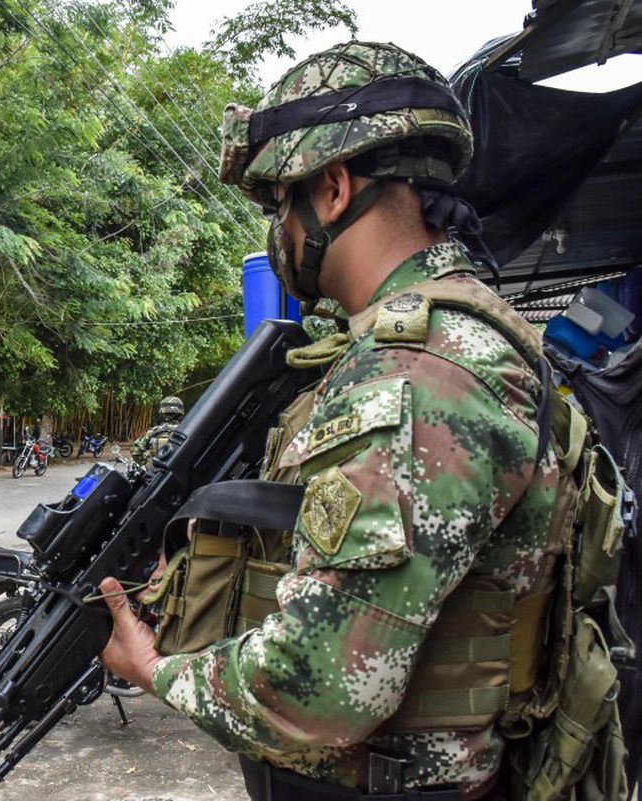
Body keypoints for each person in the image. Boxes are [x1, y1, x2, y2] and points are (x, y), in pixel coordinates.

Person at [99, 42, 571, 799]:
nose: (278, 229)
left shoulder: (415, 378)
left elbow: (317, 687)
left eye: (280, 203)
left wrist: (153, 669)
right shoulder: (453, 341)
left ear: (334, 188)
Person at [129, 395, 183, 467]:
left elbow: (135, 451)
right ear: (180, 413)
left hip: (157, 474)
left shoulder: (152, 432)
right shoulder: (187, 431)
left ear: (162, 413)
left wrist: (149, 465)